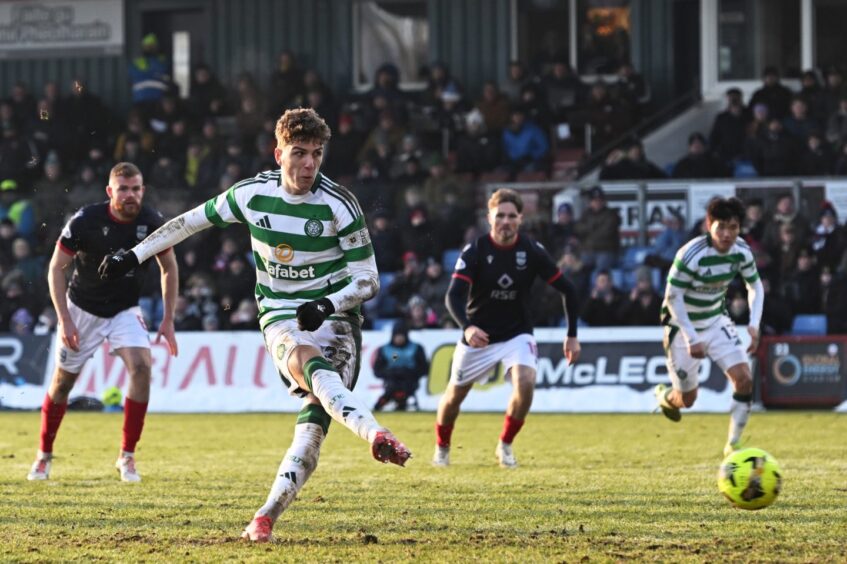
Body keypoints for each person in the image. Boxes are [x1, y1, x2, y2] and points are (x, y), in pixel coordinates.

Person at [98, 108, 411, 542]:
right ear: (278, 152)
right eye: (299, 153)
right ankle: (374, 433)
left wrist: (327, 303)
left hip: (337, 318)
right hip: (281, 314)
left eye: (317, 154)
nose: (308, 165)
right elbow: (188, 223)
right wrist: (134, 256)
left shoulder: (339, 203)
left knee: (312, 429)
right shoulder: (251, 194)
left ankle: (265, 516)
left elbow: (369, 279)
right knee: (305, 361)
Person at [26, 162, 179, 483]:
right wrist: (65, 319)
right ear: (110, 192)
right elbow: (56, 268)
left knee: (142, 368)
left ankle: (127, 457)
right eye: (123, 189)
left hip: (125, 310)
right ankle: (44, 454)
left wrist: (168, 318)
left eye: (136, 189)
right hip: (82, 310)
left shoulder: (152, 222)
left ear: (143, 191)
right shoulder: (85, 220)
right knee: (62, 384)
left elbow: (170, 269)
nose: (130, 195)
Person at [433, 189, 581, 468]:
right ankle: (442, 446)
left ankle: (505, 445)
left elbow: (569, 290)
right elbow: (452, 296)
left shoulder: (532, 251)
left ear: (520, 219)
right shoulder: (475, 250)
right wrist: (467, 327)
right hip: (479, 336)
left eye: (511, 216)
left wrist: (572, 336)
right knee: (453, 397)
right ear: (490, 217)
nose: (505, 221)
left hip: (517, 333)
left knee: (525, 384)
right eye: (500, 215)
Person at [655, 197, 763, 457]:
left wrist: (754, 324)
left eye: (733, 227)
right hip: (682, 327)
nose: (727, 234)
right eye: (721, 227)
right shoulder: (691, 254)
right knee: (687, 400)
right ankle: (666, 396)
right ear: (709, 225)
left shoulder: (741, 251)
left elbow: (755, 286)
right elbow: (672, 297)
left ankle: (733, 446)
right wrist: (692, 337)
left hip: (716, 320)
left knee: (744, 379)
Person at [372, 321, 429, 411]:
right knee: (392, 385)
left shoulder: (416, 348)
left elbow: (424, 368)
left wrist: (409, 372)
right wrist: (390, 372)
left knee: (405, 385)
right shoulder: (385, 349)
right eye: (397, 336)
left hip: (410, 379)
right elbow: (377, 370)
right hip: (391, 379)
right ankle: (393, 400)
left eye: (401, 336)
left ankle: (393, 400)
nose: (399, 338)